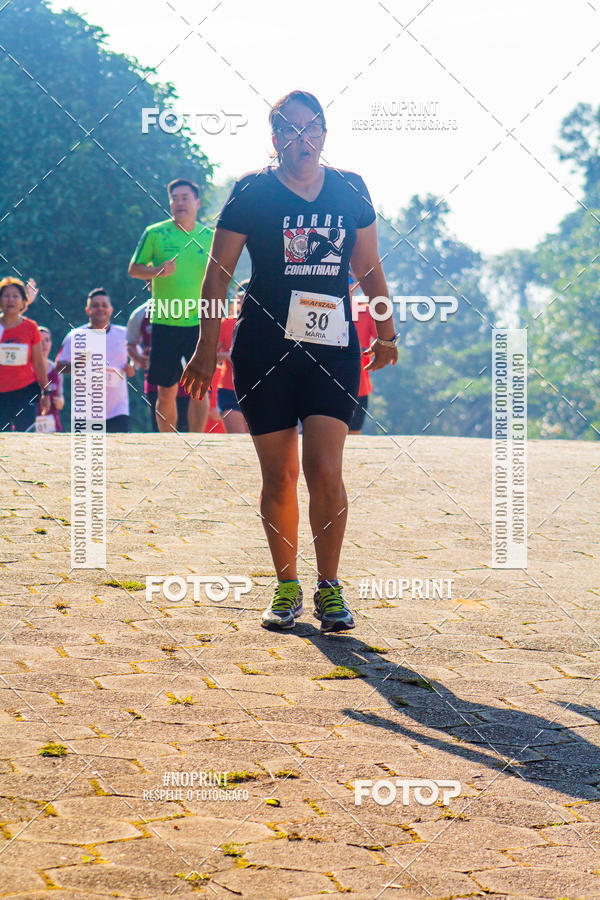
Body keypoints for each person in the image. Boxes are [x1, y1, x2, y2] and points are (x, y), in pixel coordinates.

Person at [181, 90, 398, 633]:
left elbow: (368, 266)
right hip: (264, 350)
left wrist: (389, 329)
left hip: (333, 348)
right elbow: (217, 275)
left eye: (312, 128)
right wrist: (208, 348)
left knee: (325, 468)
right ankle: (285, 588)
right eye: (290, 129)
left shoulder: (351, 188)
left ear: (325, 134)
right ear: (274, 138)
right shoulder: (251, 193)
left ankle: (329, 588)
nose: (303, 138)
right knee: (279, 475)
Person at [128, 179, 213, 434]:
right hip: (164, 320)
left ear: (197, 203)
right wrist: (157, 271)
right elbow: (134, 269)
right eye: (174, 198)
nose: (179, 202)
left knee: (200, 388)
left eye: (185, 197)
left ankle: (198, 441)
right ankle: (169, 443)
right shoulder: (155, 233)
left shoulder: (210, 237)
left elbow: (221, 277)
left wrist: (216, 315)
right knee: (166, 389)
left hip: (199, 322)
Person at [56, 288, 135, 433]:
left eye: (104, 305)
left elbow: (136, 359)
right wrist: (77, 364)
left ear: (111, 310)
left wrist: (131, 368)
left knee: (120, 452)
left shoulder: (123, 334)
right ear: (88, 310)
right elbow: (59, 366)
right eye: (96, 305)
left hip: (118, 410)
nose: (100, 308)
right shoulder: (75, 335)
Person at [126, 301, 189, 432]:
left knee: (185, 428)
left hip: (186, 381)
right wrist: (138, 357)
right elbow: (130, 343)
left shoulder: (186, 306)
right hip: (156, 381)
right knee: (159, 428)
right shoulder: (140, 313)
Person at [0, 277, 50, 432]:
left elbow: (38, 363)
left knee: (25, 434)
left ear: (23, 302)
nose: (11, 300)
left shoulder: (30, 327)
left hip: (25, 392)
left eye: (15, 296)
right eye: (6, 295)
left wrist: (46, 391)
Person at [217, 281, 249, 433]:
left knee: (255, 443)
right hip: (229, 389)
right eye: (241, 297)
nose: (244, 300)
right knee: (238, 439)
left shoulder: (262, 323)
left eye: (247, 296)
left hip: (255, 389)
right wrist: (228, 356)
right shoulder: (226, 323)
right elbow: (210, 355)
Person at [349, 276, 378, 435]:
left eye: (348, 280)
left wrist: (365, 350)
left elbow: (381, 341)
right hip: (321, 385)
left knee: (352, 439)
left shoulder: (366, 311)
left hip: (358, 387)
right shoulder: (318, 307)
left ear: (357, 284)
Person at [37, 326, 64, 432]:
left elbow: (60, 396)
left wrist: (60, 402)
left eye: (47, 340)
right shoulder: (27, 369)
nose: (44, 344)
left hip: (52, 424)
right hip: (30, 422)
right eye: (40, 340)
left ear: (51, 344)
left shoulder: (56, 370)